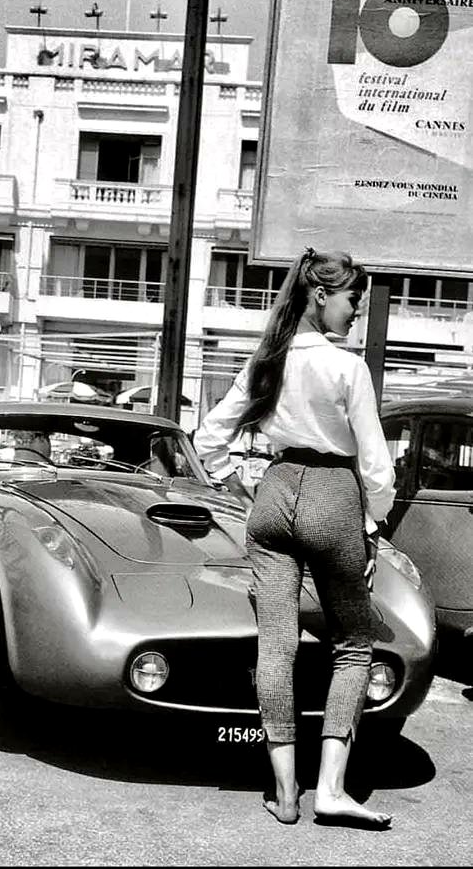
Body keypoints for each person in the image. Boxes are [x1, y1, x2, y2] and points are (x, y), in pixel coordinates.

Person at [193, 247, 396, 829]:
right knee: (354, 642)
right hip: (335, 494)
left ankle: (285, 792)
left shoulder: (268, 360)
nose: (356, 310)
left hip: (275, 490)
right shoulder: (347, 368)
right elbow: (377, 469)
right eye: (353, 298)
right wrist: (372, 522)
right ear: (322, 295)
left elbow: (208, 438)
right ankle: (331, 789)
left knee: (276, 644)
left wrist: (238, 487)